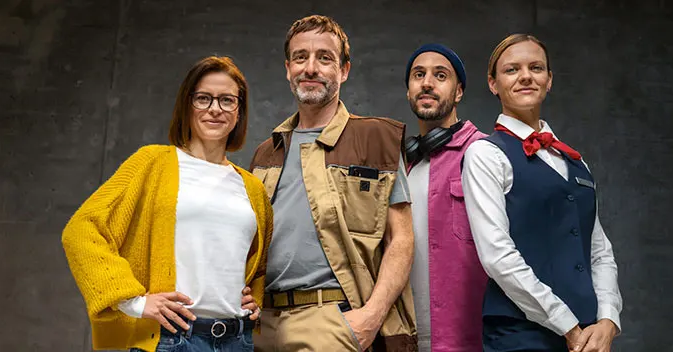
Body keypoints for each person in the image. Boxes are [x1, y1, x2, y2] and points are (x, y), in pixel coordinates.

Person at [62, 56, 273, 352]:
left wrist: (257, 301)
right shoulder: (152, 164)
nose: (215, 108)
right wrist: (133, 301)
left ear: (239, 111)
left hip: (237, 340)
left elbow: (258, 266)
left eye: (227, 100)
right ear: (187, 106)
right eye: (203, 99)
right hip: (171, 340)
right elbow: (81, 230)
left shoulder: (252, 189)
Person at [249, 14, 417, 352]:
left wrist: (371, 316)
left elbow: (401, 239)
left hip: (335, 323)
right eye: (300, 57)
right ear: (287, 68)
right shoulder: (265, 152)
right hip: (261, 326)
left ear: (344, 70)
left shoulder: (376, 140)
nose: (310, 68)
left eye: (324, 58)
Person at [461, 34, 623, 352]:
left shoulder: (577, 163)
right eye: (512, 69)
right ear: (493, 84)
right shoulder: (485, 154)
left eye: (536, 67)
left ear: (549, 81)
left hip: (588, 337)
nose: (525, 76)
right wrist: (567, 325)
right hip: (520, 336)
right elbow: (497, 256)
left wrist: (607, 320)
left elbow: (599, 252)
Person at [402, 43, 488, 352]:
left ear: (459, 91)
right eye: (418, 75)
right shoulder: (400, 166)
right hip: (406, 338)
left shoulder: (485, 154)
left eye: (441, 75)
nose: (427, 83)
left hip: (470, 339)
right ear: (409, 89)